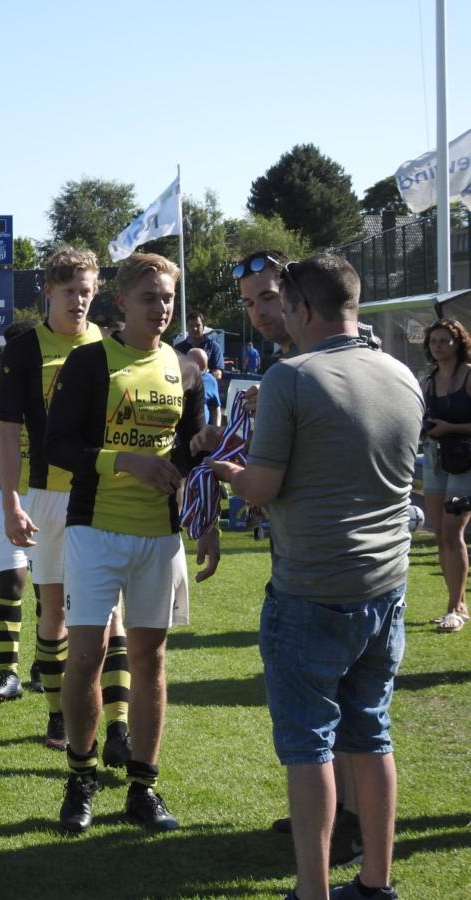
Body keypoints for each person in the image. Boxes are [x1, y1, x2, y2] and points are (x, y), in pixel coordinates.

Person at [211, 254, 420, 900]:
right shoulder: (403, 375)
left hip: (310, 589)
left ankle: (312, 890)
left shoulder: (292, 379)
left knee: (309, 747)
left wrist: (229, 474)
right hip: (385, 589)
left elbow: (263, 488)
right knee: (372, 734)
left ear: (301, 308)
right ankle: (376, 883)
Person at [46, 251, 218, 836]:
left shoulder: (186, 367)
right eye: (150, 297)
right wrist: (126, 461)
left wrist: (207, 507)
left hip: (159, 536)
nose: (162, 307)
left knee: (150, 661)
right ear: (121, 302)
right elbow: (57, 446)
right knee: (88, 657)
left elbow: (190, 452)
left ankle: (143, 786)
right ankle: (81, 779)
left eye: (168, 297)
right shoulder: (91, 362)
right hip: (95, 530)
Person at [226, 250, 362, 861]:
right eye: (250, 302)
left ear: (300, 299)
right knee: (345, 720)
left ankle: (346, 828)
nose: (259, 312)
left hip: (331, 569)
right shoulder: (286, 366)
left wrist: (235, 472)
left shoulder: (334, 359)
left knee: (339, 721)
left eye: (268, 298)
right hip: (318, 555)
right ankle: (335, 821)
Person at [0, 246, 131, 757]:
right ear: (48, 290)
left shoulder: (108, 343)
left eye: (88, 291)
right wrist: (10, 500)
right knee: (53, 608)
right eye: (70, 290)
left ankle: (118, 725)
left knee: (110, 613)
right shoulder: (26, 348)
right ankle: (58, 712)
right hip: (46, 496)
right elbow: (7, 433)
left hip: (99, 494)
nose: (80, 300)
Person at [0, 321, 44, 703]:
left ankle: (44, 664)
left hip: (46, 494)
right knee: (11, 583)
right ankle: (10, 672)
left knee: (48, 588)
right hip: (4, 497)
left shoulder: (51, 390)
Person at [419, 317, 471, 633]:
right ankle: (456, 602)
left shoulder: (469, 376)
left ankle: (456, 609)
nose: (438, 346)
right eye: (434, 341)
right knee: (440, 533)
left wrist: (451, 428)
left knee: (453, 532)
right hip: (435, 458)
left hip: (466, 460)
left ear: (458, 343)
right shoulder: (429, 381)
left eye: (444, 341)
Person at [174, 310, 224, 382]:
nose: (194, 329)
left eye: (198, 325)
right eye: (191, 326)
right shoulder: (178, 349)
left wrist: (199, 382)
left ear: (203, 327)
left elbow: (218, 374)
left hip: (206, 389)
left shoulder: (213, 347)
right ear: (187, 328)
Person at [188, 347, 222, 427]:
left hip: (201, 433)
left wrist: (215, 431)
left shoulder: (210, 380)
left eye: (201, 370)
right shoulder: (177, 378)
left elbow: (215, 408)